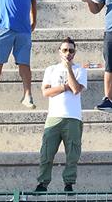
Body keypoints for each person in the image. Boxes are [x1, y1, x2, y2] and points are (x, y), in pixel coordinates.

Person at [35, 38, 87, 193]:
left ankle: (69, 183)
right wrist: (65, 87)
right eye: (65, 50)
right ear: (60, 51)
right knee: (46, 152)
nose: (68, 53)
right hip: (54, 116)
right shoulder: (51, 70)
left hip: (73, 117)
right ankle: (43, 183)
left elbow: (77, 89)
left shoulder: (80, 70)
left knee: (72, 153)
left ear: (74, 52)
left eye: (71, 50)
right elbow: (46, 92)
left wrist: (68, 69)